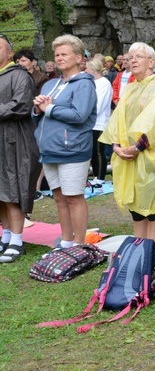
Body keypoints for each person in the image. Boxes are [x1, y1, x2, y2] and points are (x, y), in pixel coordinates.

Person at [33, 34, 97, 248]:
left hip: (72, 149)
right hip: (49, 148)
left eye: (64, 54)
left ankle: (79, 244)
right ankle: (66, 241)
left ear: (79, 58)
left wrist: (49, 108)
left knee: (73, 197)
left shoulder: (84, 84)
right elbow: (41, 113)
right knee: (59, 198)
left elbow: (80, 115)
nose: (59, 58)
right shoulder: (50, 84)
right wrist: (37, 108)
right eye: (57, 54)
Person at [100, 42, 155, 242]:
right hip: (127, 156)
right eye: (130, 57)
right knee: (135, 203)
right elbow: (117, 120)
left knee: (153, 203)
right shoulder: (129, 89)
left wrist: (138, 147)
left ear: (151, 62)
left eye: (139, 56)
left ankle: (150, 252)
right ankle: (138, 248)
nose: (133, 60)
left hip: (151, 154)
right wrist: (116, 147)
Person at [0, 34, 41, 263]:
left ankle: (16, 239)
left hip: (15, 140)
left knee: (13, 187)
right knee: (1, 190)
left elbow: (21, 105)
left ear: (9, 54)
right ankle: (5, 236)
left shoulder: (19, 75)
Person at [85, 56, 113, 187]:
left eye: (87, 68)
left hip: (100, 122)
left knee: (98, 150)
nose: (85, 70)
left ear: (93, 69)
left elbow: (99, 104)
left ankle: (100, 177)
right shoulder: (92, 83)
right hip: (91, 122)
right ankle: (95, 175)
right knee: (92, 151)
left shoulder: (104, 83)